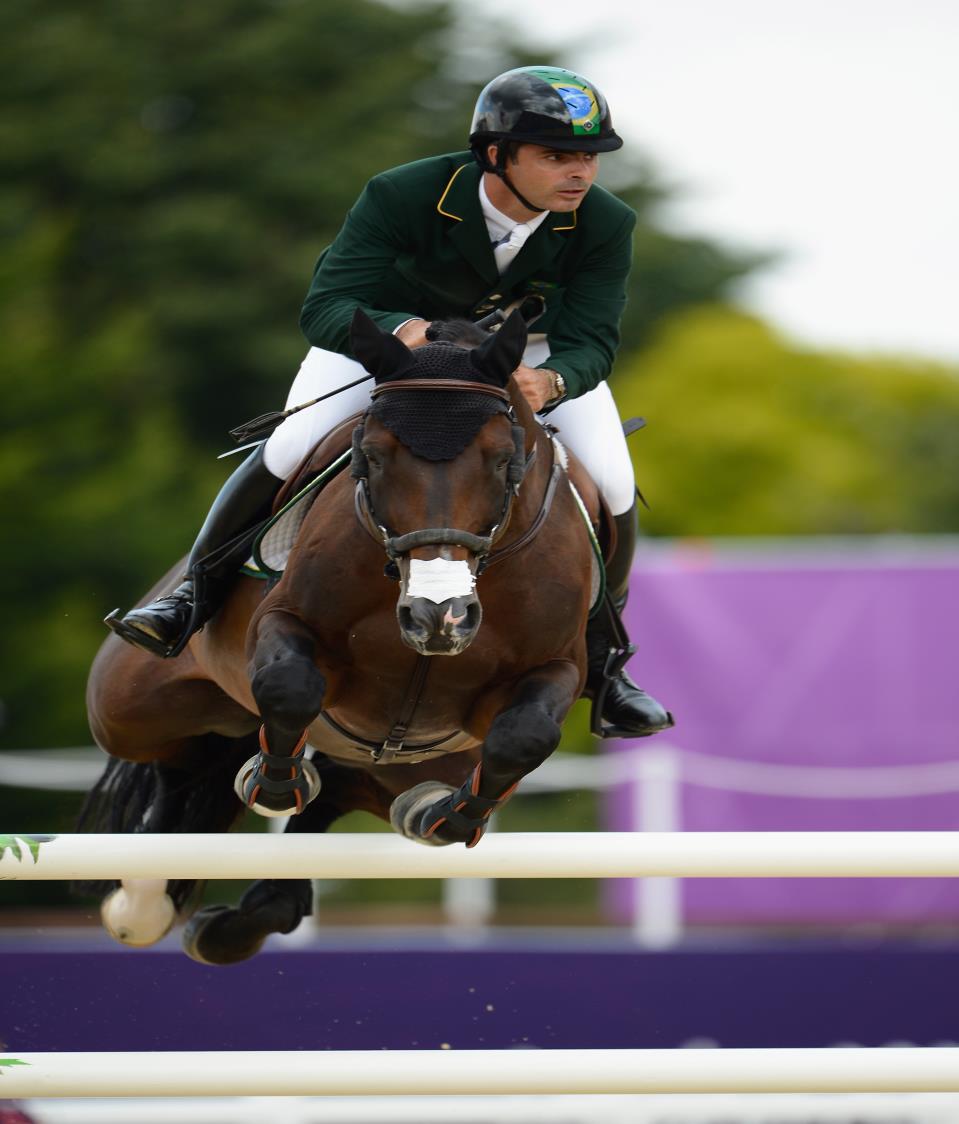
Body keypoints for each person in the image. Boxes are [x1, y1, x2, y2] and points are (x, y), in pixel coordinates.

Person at [108, 65, 673, 737]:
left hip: (525, 355)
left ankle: (607, 667)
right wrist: (403, 331)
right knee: (290, 444)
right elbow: (327, 303)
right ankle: (191, 597)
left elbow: (592, 338)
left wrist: (549, 383)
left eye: (588, 157)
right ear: (495, 155)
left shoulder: (606, 223)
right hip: (384, 346)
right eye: (557, 156)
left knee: (611, 481)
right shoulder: (403, 193)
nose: (580, 172)